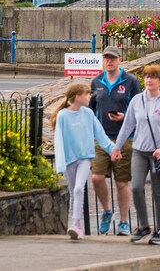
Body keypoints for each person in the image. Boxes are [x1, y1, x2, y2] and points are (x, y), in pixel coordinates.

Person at [112, 64, 160, 246]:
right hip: (139, 150)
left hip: (158, 153)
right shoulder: (137, 100)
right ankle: (143, 226)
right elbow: (127, 125)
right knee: (136, 188)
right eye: (147, 77)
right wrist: (116, 148)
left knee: (158, 192)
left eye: (154, 77)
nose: (149, 80)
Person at [52, 82, 115, 240]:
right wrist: (60, 164)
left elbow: (100, 135)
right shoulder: (63, 116)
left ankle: (76, 224)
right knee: (73, 191)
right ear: (77, 96)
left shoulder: (88, 113)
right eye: (87, 94)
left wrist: (113, 149)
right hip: (68, 160)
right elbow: (58, 140)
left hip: (85, 158)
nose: (90, 97)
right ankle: (74, 224)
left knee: (79, 188)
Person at [89, 45, 141, 235]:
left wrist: (124, 116)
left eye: (112, 58)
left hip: (124, 138)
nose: (109, 61)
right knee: (96, 177)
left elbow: (139, 109)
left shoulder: (130, 81)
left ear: (120, 60)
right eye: (106, 58)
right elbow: (90, 109)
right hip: (101, 138)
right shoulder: (96, 82)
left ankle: (124, 221)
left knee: (121, 182)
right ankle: (107, 210)